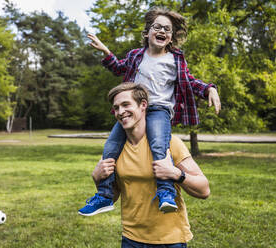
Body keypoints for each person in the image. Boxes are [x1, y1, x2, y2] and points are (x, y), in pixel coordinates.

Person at [79, 6, 219, 216]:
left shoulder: (175, 59)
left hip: (160, 109)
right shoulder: (137, 55)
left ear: (171, 38)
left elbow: (189, 81)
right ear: (147, 33)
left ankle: (165, 193)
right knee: (110, 147)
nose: (162, 31)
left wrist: (209, 88)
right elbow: (118, 68)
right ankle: (105, 196)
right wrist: (107, 52)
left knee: (158, 146)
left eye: (167, 29)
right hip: (135, 109)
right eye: (157, 27)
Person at [89, 83, 210, 247]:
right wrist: (98, 179)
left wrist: (176, 174)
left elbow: (204, 190)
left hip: (170, 240)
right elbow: (115, 196)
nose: (120, 112)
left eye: (126, 104)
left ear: (143, 105)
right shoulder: (115, 150)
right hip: (131, 239)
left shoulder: (170, 144)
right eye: (116, 108)